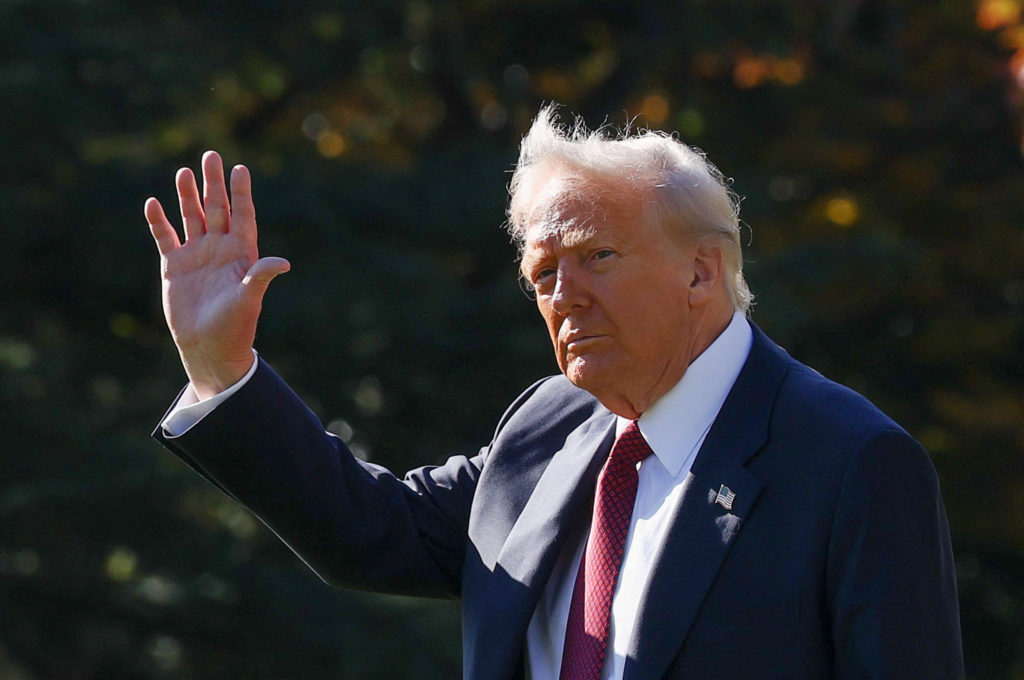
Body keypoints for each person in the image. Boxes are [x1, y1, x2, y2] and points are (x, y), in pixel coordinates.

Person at [146, 105, 964, 680]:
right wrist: (222, 369)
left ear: (701, 271)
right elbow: (369, 530)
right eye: (543, 274)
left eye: (597, 256)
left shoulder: (850, 462)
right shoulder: (549, 425)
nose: (563, 296)